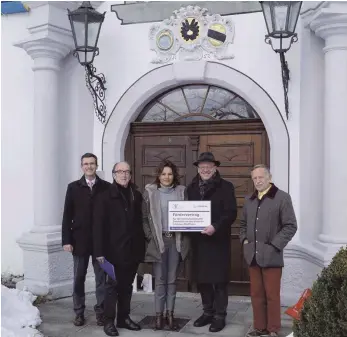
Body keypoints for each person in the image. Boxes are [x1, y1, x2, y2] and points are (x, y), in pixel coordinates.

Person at [240, 164, 297, 337]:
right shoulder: (249, 199)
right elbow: (243, 225)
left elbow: (290, 226)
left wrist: (274, 245)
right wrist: (245, 241)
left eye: (261, 177)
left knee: (272, 296)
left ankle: (273, 329)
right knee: (256, 294)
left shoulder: (282, 198)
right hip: (253, 256)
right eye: (255, 178)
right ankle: (259, 327)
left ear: (269, 178)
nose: (258, 181)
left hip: (272, 255)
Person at [186, 152, 237, 333]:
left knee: (219, 281)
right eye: (202, 166)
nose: (205, 169)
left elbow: (231, 213)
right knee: (203, 280)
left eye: (209, 166)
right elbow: (187, 213)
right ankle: (207, 312)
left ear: (215, 167)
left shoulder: (226, 187)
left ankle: (219, 316)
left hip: (218, 241)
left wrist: (215, 226)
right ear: (198, 169)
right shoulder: (190, 188)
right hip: (198, 243)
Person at [93, 161, 146, 337]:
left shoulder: (136, 195)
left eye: (127, 172)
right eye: (120, 171)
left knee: (127, 286)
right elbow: (98, 226)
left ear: (131, 175)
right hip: (112, 253)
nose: (124, 174)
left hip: (132, 251)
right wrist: (99, 252)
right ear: (114, 174)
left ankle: (124, 318)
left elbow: (140, 223)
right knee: (112, 287)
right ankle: (109, 321)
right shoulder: (104, 196)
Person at [61, 153, 110, 327]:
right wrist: (66, 240)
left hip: (101, 242)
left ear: (96, 165)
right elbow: (67, 215)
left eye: (92, 163)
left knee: (101, 279)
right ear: (81, 166)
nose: (89, 166)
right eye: (86, 164)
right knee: (78, 278)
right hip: (79, 240)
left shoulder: (106, 187)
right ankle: (79, 312)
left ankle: (102, 312)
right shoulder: (73, 187)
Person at [142, 160, 190, 331]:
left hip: (175, 241)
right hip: (158, 241)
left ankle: (170, 314)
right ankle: (158, 316)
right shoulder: (150, 192)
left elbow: (189, 215)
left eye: (169, 174)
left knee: (172, 280)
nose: (167, 177)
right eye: (163, 174)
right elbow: (144, 218)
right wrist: (150, 237)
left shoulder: (182, 192)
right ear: (158, 175)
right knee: (160, 280)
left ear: (174, 175)